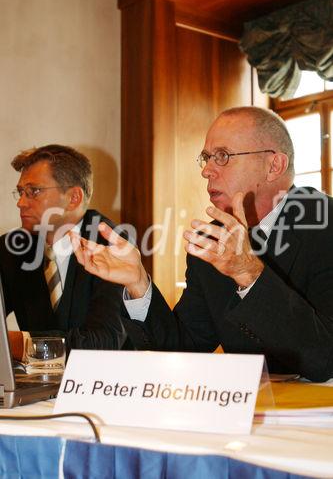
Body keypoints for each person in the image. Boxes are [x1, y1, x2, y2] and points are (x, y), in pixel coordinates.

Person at [71, 107, 333, 382]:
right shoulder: (212, 242)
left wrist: (250, 274)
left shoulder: (324, 224)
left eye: (223, 156)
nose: (207, 171)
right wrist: (138, 283)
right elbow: (182, 347)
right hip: (248, 411)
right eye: (206, 158)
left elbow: (325, 358)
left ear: (273, 166)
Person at [0, 144, 129, 356]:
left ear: (73, 198)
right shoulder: (12, 248)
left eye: (34, 191)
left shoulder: (111, 244)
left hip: (103, 384)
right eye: (21, 192)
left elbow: (103, 342)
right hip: (35, 386)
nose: (21, 203)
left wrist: (17, 343)